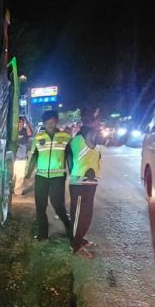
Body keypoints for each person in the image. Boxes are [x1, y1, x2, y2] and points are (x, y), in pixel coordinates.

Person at [25, 109, 72, 241]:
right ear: (44, 124)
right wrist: (27, 175)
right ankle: (42, 234)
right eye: (47, 123)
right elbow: (34, 157)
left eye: (52, 122)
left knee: (58, 205)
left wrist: (73, 173)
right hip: (41, 177)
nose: (50, 125)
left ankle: (70, 229)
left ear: (56, 121)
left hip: (58, 177)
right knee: (40, 206)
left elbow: (69, 156)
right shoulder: (39, 138)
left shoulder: (64, 137)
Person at [67, 109, 102, 257]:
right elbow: (112, 141)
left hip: (87, 181)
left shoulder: (80, 136)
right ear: (92, 122)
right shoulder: (88, 134)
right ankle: (74, 245)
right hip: (81, 182)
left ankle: (79, 239)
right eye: (98, 120)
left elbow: (69, 158)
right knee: (79, 216)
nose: (99, 123)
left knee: (86, 215)